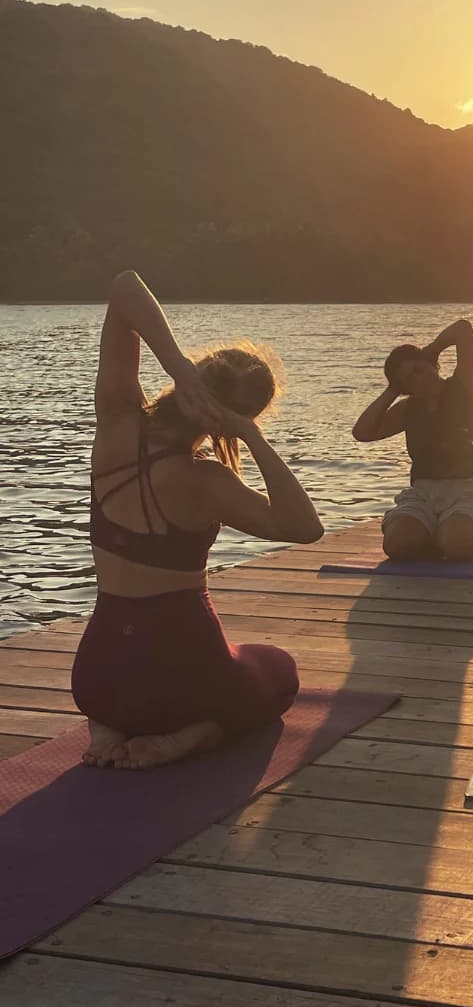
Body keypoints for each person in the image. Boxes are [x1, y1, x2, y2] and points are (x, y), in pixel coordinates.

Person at [72, 270, 323, 770]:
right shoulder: (210, 483)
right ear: (235, 416)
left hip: (96, 679)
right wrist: (252, 439)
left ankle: (105, 730)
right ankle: (192, 735)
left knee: (139, 679)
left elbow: (124, 288)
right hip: (181, 683)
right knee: (276, 668)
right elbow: (305, 527)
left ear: (194, 381)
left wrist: (180, 368)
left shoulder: (116, 421)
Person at [353, 319, 473, 563]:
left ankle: (460, 536)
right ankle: (433, 534)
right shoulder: (407, 409)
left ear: (433, 366)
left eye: (419, 370)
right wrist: (392, 390)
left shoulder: (466, 387)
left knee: (457, 544)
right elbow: (363, 432)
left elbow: (462, 329)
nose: (418, 380)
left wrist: (432, 350)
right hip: (424, 493)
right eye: (408, 380)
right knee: (398, 545)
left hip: (469, 491)